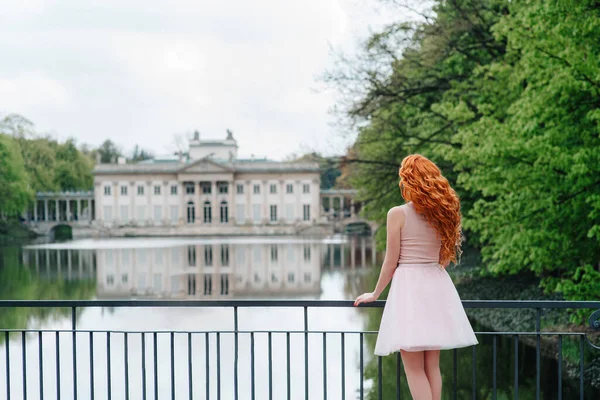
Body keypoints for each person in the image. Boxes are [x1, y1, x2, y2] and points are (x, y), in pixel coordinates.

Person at [354, 154, 478, 400]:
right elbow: (444, 258)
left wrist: (375, 294)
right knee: (432, 366)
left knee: (413, 368)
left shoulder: (397, 214)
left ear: (408, 181)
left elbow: (391, 262)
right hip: (436, 284)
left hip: (410, 289)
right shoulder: (445, 213)